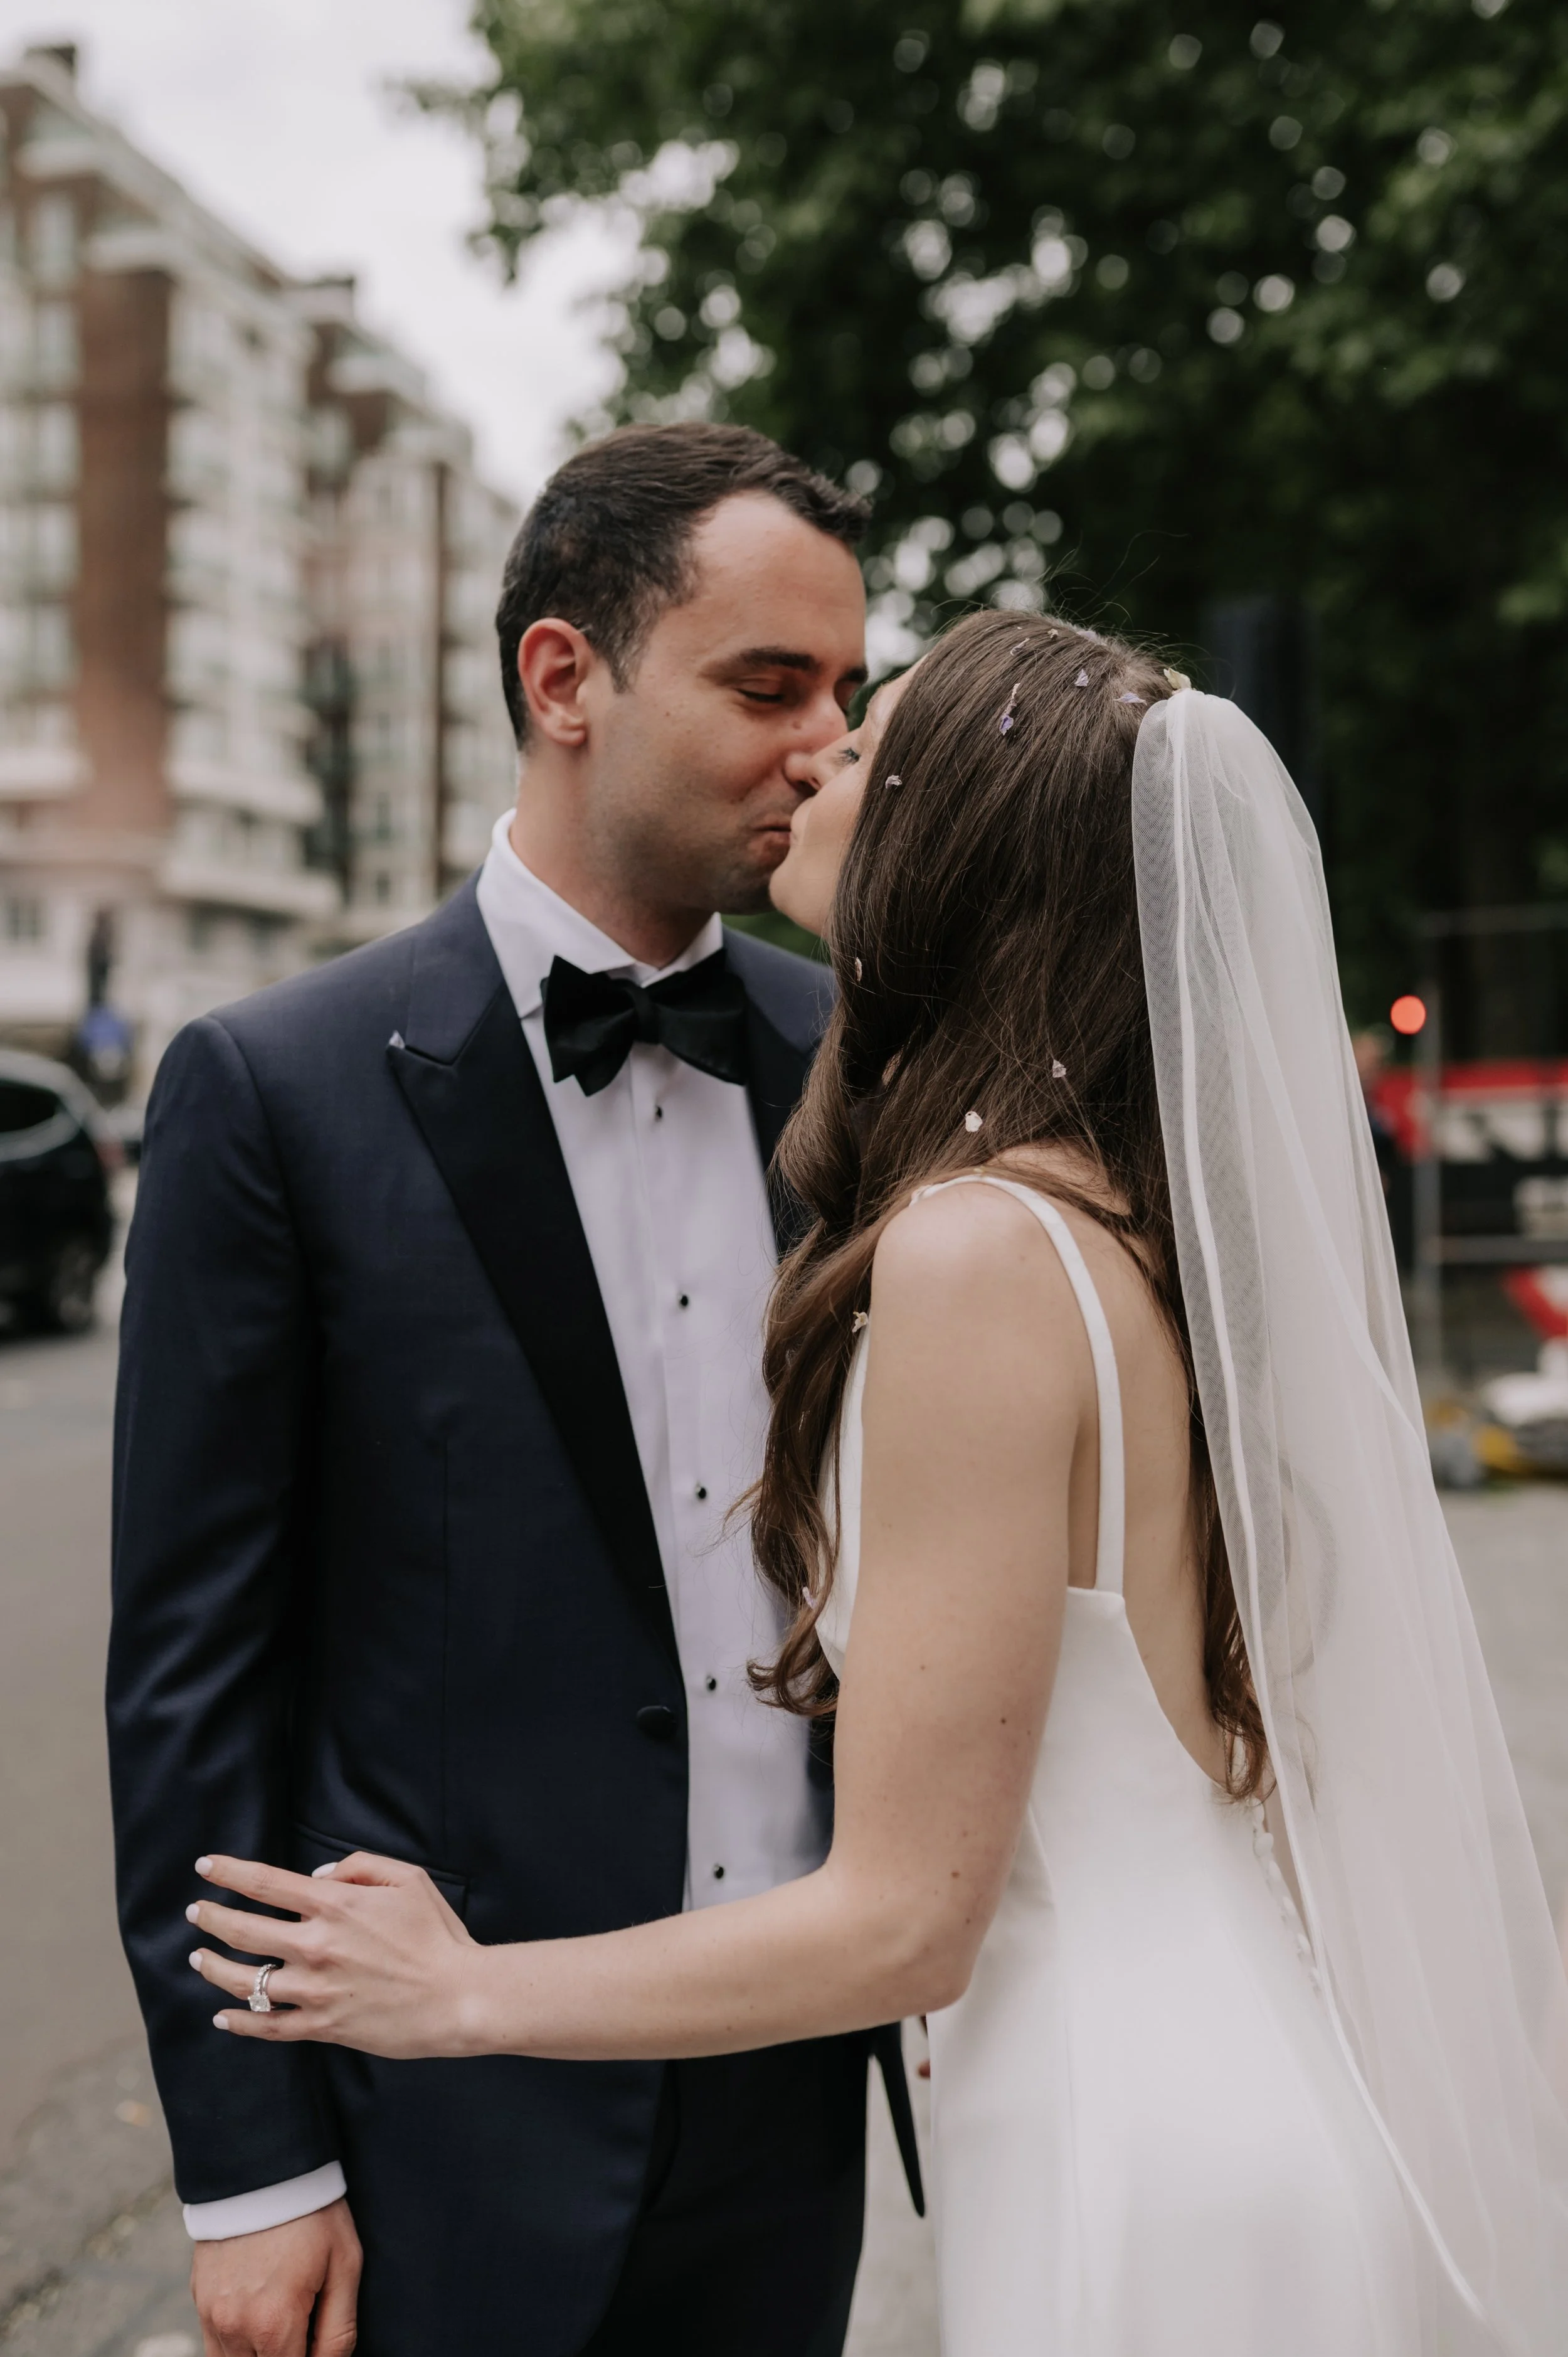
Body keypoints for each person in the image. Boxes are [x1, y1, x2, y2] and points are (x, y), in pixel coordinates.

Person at [184, 612, 1568, 2353]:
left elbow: (908, 1914)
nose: (814, 757)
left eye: (865, 744)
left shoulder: (979, 1252)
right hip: (1214, 2056)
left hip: (1133, 2128)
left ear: (955, 852)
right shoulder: (1124, 1215)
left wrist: (459, 1991)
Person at [110, 421, 922, 2357]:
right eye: (764, 683)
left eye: (843, 689)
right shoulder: (276, 1088)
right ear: (566, 678)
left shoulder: (853, 1052)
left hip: (790, 2086)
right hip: (437, 2123)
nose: (824, 745)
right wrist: (253, 2169)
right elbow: (196, 1677)